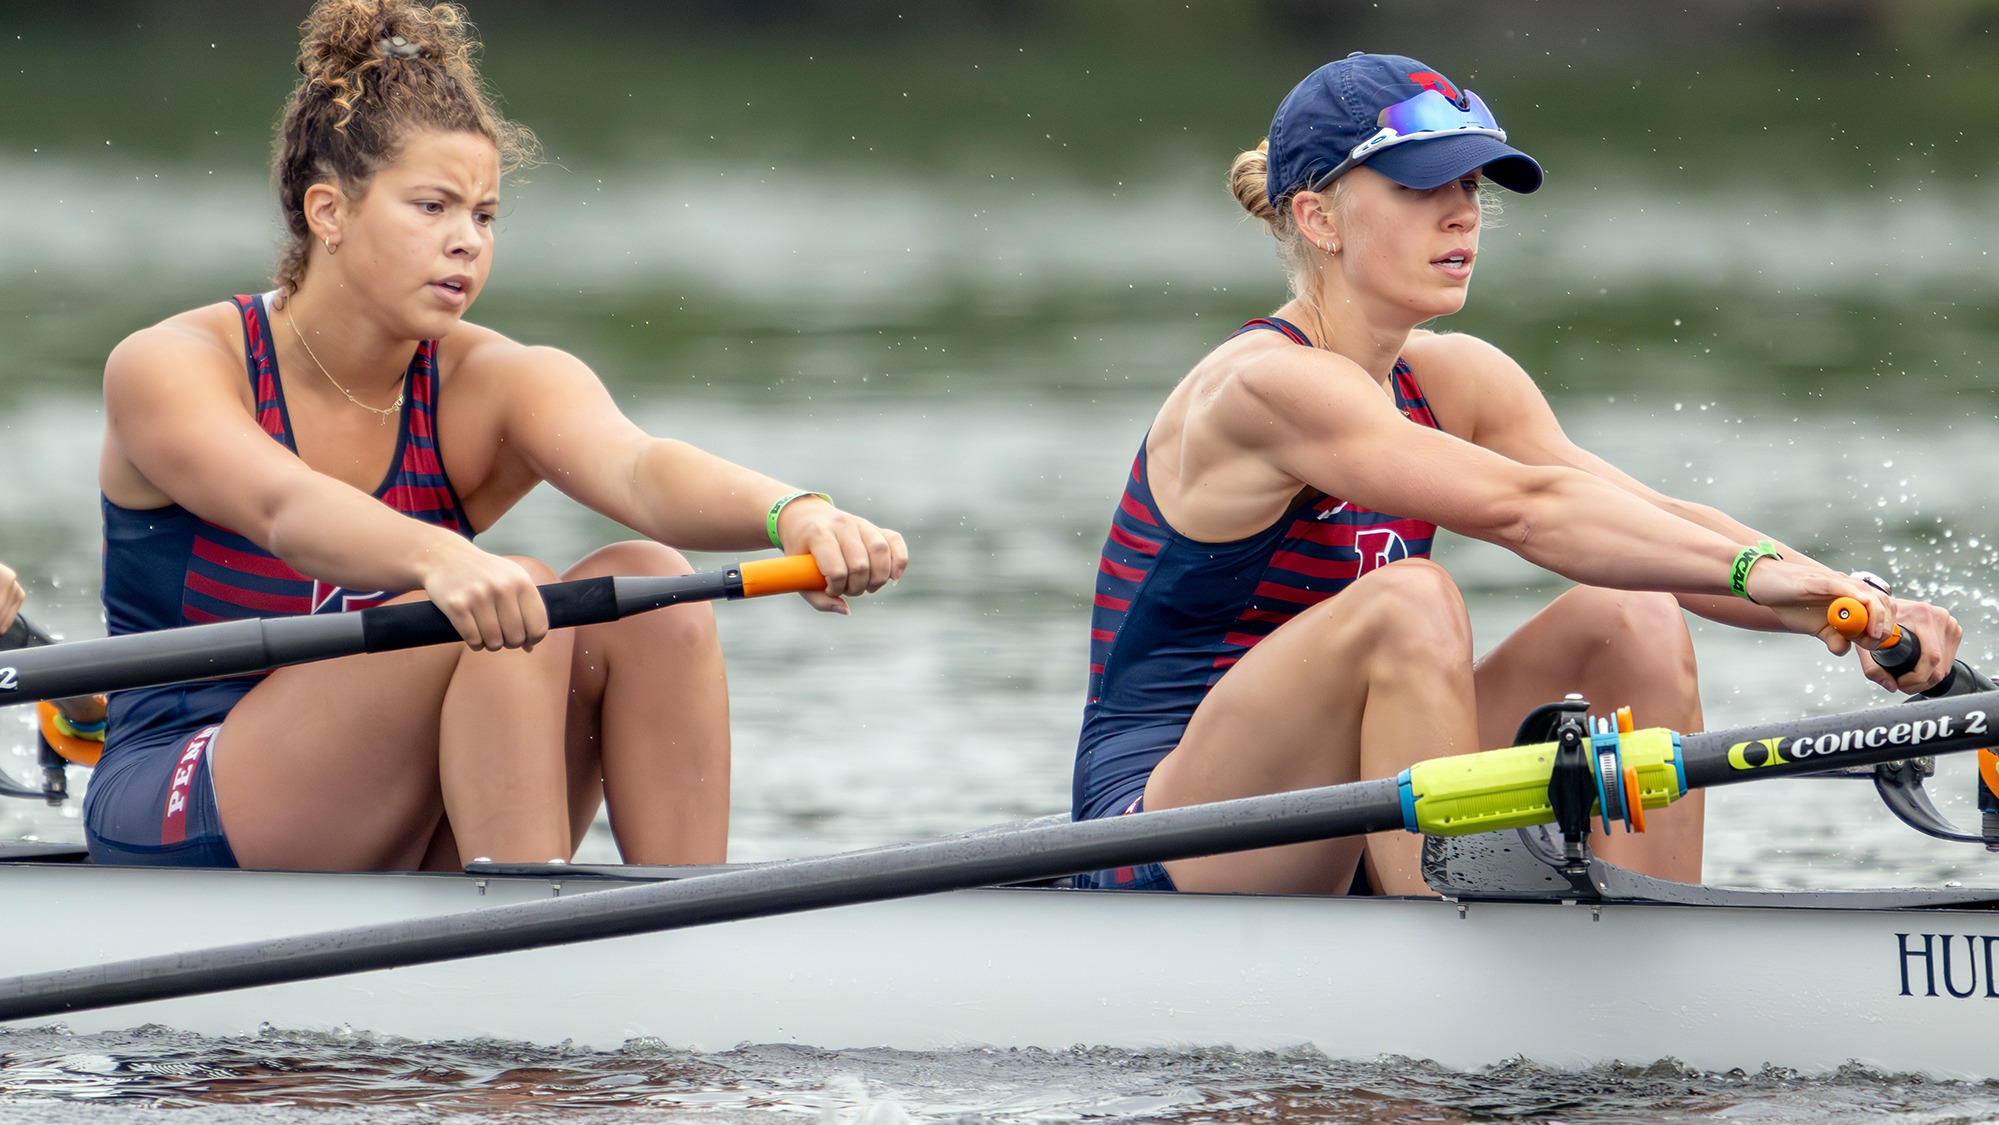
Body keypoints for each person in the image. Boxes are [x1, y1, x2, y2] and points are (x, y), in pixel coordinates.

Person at [1070, 52, 1959, 898]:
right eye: (1422, 186)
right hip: (1166, 828)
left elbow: (1639, 515)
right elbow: (1528, 512)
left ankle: (1650, 946)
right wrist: (1756, 576)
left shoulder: (1454, 377)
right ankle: (1446, 949)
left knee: (1632, 613)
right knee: (1409, 602)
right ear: (1318, 218)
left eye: (1467, 185)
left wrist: (1844, 599)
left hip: (1352, 803)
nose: (1461, 213)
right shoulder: (1265, 383)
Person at [83, 0, 906, 872]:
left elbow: (637, 468)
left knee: (653, 588)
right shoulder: (171, 366)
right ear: (328, 211)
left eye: (483, 216)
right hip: (180, 786)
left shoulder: (487, 383)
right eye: (432, 206)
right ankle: (523, 953)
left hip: (393, 790)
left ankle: (684, 933)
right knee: (511, 598)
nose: (465, 244)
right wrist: (441, 559)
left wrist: (795, 513)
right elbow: (283, 506)